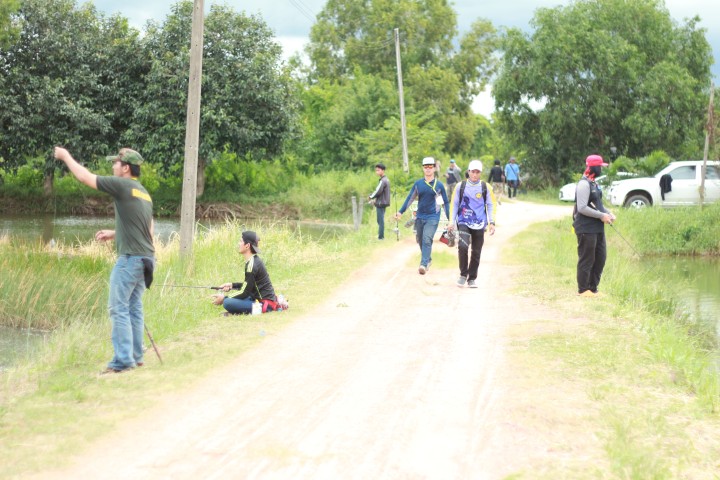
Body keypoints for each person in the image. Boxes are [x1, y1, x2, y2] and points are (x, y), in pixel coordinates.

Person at [54, 147, 155, 374]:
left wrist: (65, 156)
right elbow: (148, 229)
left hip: (130, 260)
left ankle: (122, 361)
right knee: (133, 307)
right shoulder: (143, 192)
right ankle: (136, 356)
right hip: (147, 258)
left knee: (118, 307)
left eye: (115, 164)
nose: (112, 167)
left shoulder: (122, 185)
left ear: (126, 168)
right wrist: (114, 233)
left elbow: (84, 177)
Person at [395, 156, 450, 275]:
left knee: (427, 238)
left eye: (430, 167)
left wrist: (450, 219)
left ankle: (423, 264)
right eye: (426, 167)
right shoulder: (418, 184)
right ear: (423, 169)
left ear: (434, 168)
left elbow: (445, 202)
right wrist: (400, 211)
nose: (428, 169)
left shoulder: (439, 185)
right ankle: (428, 259)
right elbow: (410, 198)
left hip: (433, 217)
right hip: (420, 216)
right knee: (420, 239)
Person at [573, 154, 616, 297]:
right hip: (585, 228)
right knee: (587, 259)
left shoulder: (594, 183)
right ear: (594, 167)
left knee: (600, 258)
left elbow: (598, 206)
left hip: (597, 228)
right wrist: (601, 216)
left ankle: (593, 288)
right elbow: (582, 207)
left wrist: (609, 214)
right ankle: (583, 290)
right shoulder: (583, 184)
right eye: (600, 167)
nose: (601, 170)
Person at [449, 159, 495, 288]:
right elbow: (455, 204)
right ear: (468, 171)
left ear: (480, 173)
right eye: (472, 172)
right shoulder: (460, 186)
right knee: (463, 247)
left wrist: (492, 222)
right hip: (463, 221)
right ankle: (463, 275)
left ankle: (472, 278)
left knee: (476, 251)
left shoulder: (486, 187)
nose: (474, 174)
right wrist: (451, 221)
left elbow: (491, 205)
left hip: (480, 223)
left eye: (477, 172)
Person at [211, 230, 280, 314]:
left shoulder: (252, 264)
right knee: (234, 300)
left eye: (240, 241)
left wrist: (224, 298)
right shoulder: (253, 260)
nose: (238, 244)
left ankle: (236, 312)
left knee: (227, 302)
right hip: (260, 299)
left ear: (247, 246)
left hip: (265, 304)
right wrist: (231, 285)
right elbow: (249, 286)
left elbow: (245, 292)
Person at [368, 163, 391, 240]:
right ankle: (380, 235)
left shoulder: (383, 180)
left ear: (383, 170)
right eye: (376, 170)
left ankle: (381, 237)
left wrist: (370, 197)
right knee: (380, 220)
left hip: (381, 203)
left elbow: (377, 191)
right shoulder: (386, 179)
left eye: (378, 170)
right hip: (383, 202)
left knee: (380, 221)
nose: (377, 172)